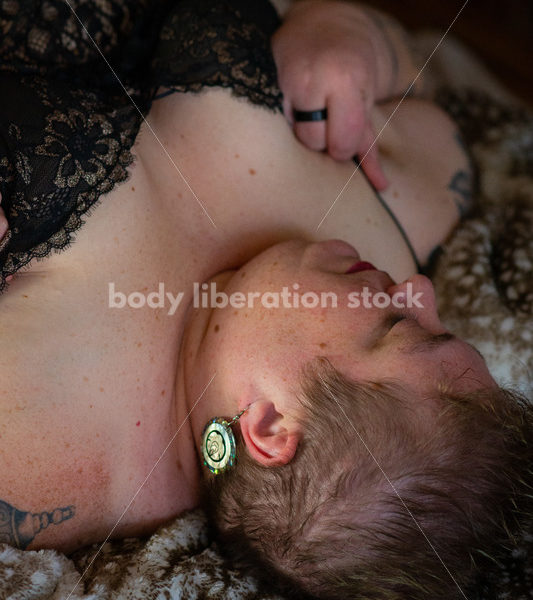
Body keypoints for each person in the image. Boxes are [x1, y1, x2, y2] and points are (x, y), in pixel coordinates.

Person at [0, 1, 531, 599]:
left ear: (271, 426)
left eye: (398, 325)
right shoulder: (398, 211)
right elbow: (426, 86)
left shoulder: (43, 449)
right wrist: (353, 38)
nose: (421, 290)